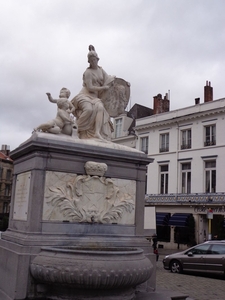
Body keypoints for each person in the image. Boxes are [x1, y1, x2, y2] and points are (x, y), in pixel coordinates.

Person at [71, 45, 115, 141]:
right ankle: (75, 128)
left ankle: (97, 133)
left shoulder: (101, 70)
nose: (93, 62)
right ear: (89, 61)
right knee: (89, 110)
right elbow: (90, 87)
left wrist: (117, 82)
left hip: (95, 98)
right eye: (91, 60)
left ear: (97, 59)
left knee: (100, 107)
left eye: (94, 60)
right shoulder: (88, 72)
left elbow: (108, 79)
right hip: (85, 95)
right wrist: (103, 87)